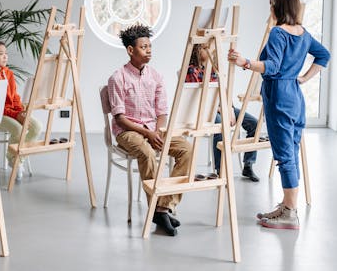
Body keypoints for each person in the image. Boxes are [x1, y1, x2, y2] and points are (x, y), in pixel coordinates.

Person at [229, 0, 330, 229]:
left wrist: (245, 62)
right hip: (295, 97)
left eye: (271, 3)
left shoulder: (278, 33)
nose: (270, 7)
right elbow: (324, 55)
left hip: (279, 96)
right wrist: (303, 79)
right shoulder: (302, 33)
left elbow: (272, 66)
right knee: (291, 152)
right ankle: (288, 205)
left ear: (278, 6)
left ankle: (290, 212)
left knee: (285, 156)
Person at [107, 24, 192, 236]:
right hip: (128, 131)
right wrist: (148, 133)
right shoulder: (117, 78)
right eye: (144, 47)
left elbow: (162, 111)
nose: (149, 50)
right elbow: (120, 118)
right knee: (146, 153)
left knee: (187, 149)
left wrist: (159, 131)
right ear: (130, 50)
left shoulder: (156, 76)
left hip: (154, 129)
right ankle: (157, 208)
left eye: (150, 46)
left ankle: (163, 207)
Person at [186, 44, 260, 181]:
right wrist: (222, 110)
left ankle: (248, 165)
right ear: (196, 50)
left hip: (222, 107)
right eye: (204, 48)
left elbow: (225, 92)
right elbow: (200, 99)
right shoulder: (191, 71)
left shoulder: (214, 68)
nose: (209, 50)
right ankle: (220, 170)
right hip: (205, 111)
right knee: (220, 126)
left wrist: (230, 109)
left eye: (210, 47)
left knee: (254, 124)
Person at [0, 41, 41, 179]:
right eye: (1, 54)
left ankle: (15, 159)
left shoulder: (8, 73)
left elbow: (14, 96)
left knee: (37, 127)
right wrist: (16, 115)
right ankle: (15, 161)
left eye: (6, 54)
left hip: (12, 112)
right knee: (19, 130)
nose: (5, 57)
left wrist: (20, 110)